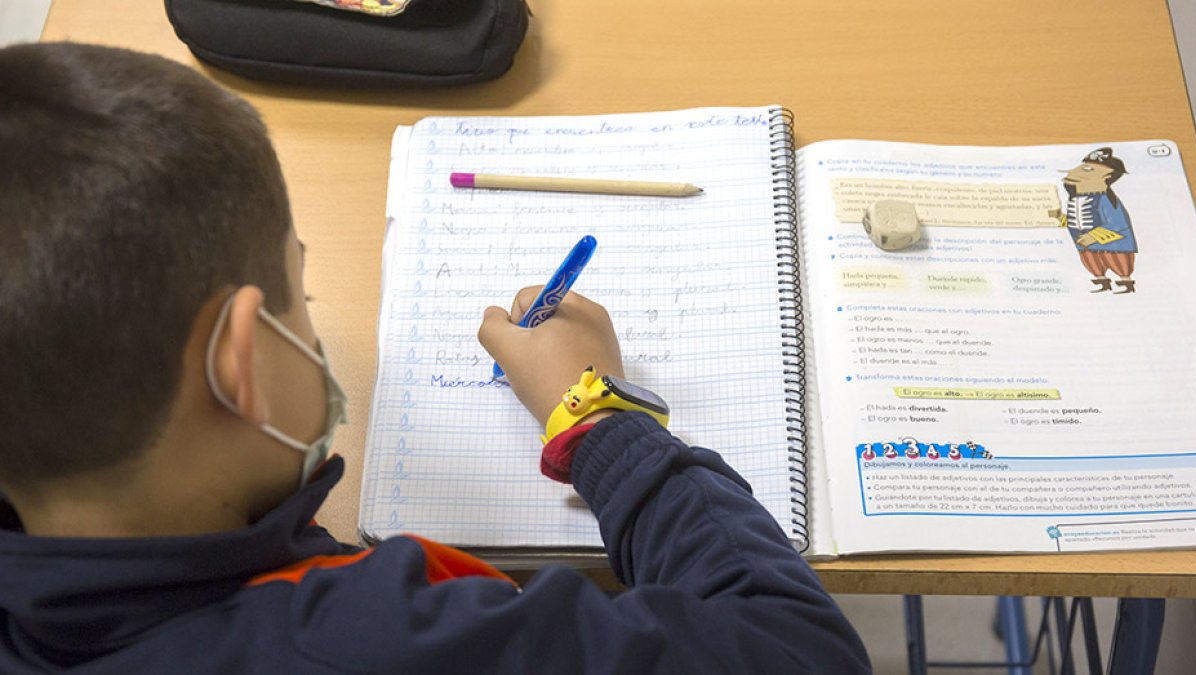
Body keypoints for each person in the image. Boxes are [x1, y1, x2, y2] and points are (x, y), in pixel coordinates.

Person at [0, 42, 871, 673]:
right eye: (302, 294)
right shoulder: (376, 642)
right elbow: (799, 650)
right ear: (243, 364)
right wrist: (599, 418)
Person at [1059, 147, 1138, 294]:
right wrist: (1060, 218)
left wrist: (1093, 236)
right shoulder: (1075, 199)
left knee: (1116, 261)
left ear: (1107, 176)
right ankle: (1102, 282)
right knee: (1092, 262)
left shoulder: (1104, 199)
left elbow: (1117, 223)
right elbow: (1074, 219)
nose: (1074, 172)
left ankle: (1126, 283)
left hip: (1112, 244)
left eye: (1088, 170)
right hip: (1084, 243)